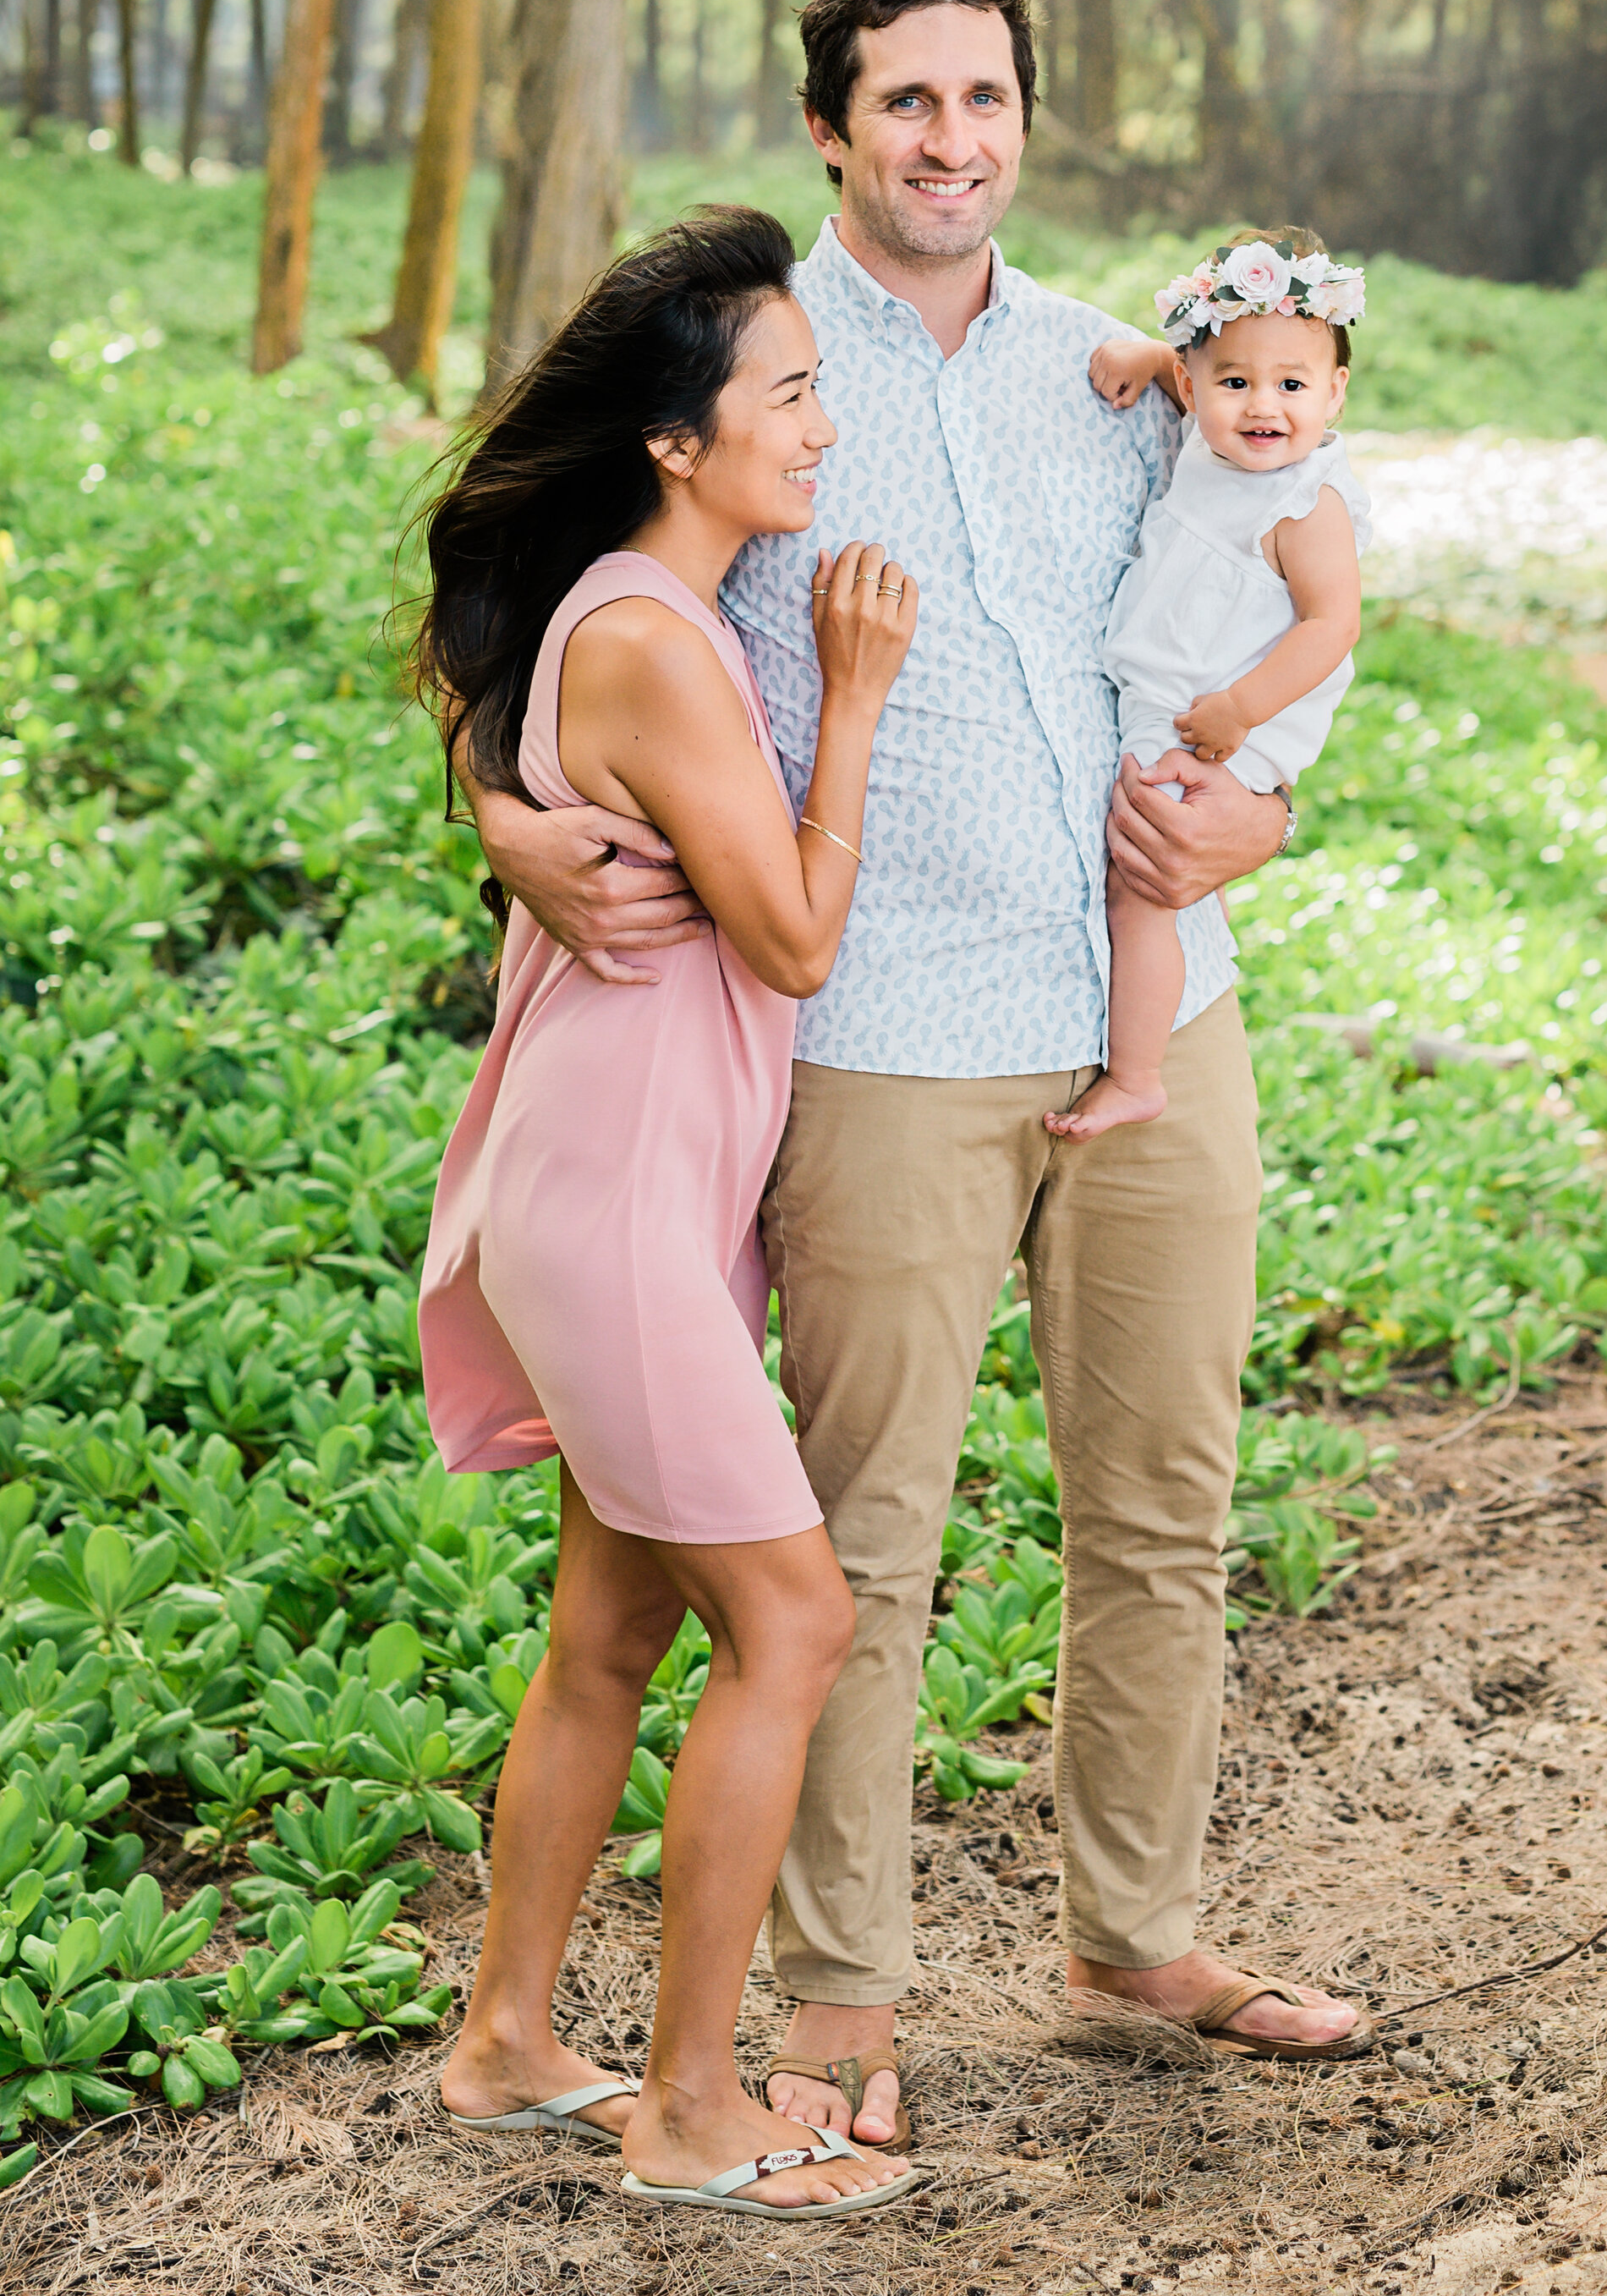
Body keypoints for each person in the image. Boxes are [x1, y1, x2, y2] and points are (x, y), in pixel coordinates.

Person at [471, 0, 1366, 2160]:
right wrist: (505, 825)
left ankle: (1133, 1932)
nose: (951, 142)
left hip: (1162, 1012)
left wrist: (1265, 807)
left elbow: (1267, 590)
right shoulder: (764, 372)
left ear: (1023, 120)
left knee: (1160, 1514)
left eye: (984, 101)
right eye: (908, 105)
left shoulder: (1136, 370)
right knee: (859, 1554)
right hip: (877, 1044)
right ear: (831, 130)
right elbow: (542, 617)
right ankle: (837, 2008)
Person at [414, 206, 927, 2223]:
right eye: (788, 393)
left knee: (613, 1627)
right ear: (677, 443)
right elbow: (790, 937)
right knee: (793, 1618)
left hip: (622, 1189)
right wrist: (859, 695)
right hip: (618, 1204)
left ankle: (509, 2042)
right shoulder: (651, 637)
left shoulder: (635, 617)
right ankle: (695, 2108)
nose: (821, 423)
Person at [1048, 228, 1371, 1140]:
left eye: (1293, 386)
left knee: (1140, 884)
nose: (1262, 405)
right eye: (1234, 382)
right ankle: (1187, 976)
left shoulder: (1304, 501)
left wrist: (1239, 712)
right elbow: (1196, 369)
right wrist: (1152, 355)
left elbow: (1330, 627)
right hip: (1180, 690)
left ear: (1335, 392)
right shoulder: (1212, 435)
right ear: (1193, 386)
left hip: (1218, 714)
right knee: (1173, 880)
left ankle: (1138, 1072)